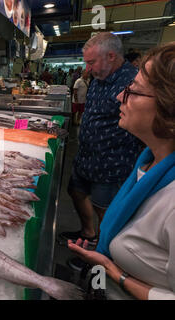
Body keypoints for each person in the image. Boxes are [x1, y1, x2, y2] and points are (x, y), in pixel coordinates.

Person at [68, 42, 175, 300]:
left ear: (169, 110)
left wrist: (113, 271)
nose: (119, 97)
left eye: (134, 91)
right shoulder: (149, 163)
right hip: (88, 161)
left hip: (109, 166)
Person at [59, 33, 143, 268]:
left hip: (112, 162)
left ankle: (104, 259)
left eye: (91, 62)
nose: (88, 67)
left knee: (106, 210)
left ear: (111, 56)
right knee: (75, 191)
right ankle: (88, 232)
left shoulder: (132, 83)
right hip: (87, 156)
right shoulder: (98, 77)